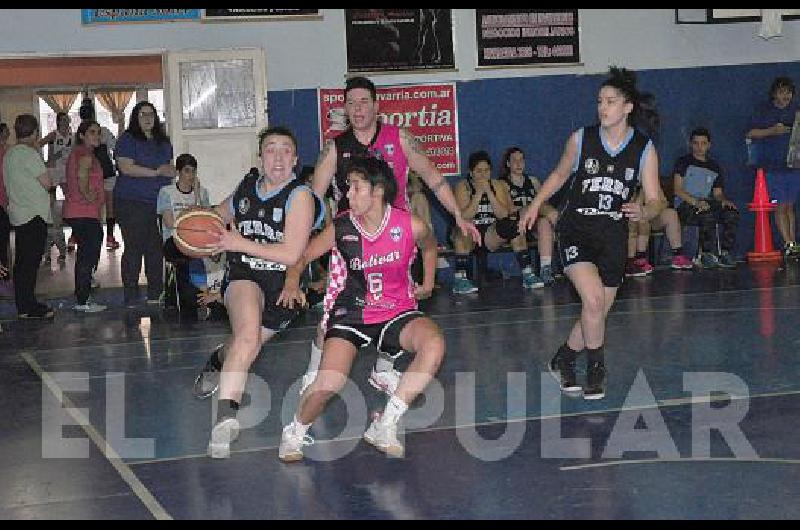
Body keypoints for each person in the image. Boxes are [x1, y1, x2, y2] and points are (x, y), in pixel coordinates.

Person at [292, 76, 479, 398]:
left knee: (398, 306)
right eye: (352, 103)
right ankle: (313, 372)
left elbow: (434, 178)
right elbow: (311, 197)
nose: (358, 108)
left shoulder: (400, 138)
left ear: (377, 106)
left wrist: (457, 214)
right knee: (333, 313)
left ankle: (383, 370)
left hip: (395, 241)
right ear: (346, 109)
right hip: (350, 244)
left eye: (364, 101)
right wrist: (296, 235)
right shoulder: (336, 148)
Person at [277, 157, 442, 462]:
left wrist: (428, 281)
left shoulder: (410, 225)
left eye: (355, 187)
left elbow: (431, 246)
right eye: (347, 187)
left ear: (378, 191)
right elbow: (301, 257)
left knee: (433, 344)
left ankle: (385, 424)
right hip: (353, 312)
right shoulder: (342, 227)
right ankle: (295, 432)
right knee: (330, 382)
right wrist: (291, 281)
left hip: (397, 310)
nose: (348, 194)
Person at [518, 67, 665, 400]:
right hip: (577, 230)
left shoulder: (644, 149)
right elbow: (557, 175)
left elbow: (657, 200)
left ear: (628, 107)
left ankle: (563, 359)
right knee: (594, 300)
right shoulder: (582, 138)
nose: (603, 107)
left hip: (613, 236)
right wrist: (533, 206)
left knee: (595, 311)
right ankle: (596, 368)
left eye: (610, 101)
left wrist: (645, 211)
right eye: (600, 101)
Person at [192, 126, 325, 459]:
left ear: (295, 160)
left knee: (242, 346)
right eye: (270, 149)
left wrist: (237, 241)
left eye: (285, 150)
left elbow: (293, 253)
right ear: (260, 157)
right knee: (248, 337)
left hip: (285, 289)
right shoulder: (245, 188)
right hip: (244, 276)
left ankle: (218, 359)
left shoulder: (301, 196)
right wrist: (195, 229)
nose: (277, 157)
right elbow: (216, 217)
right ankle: (225, 421)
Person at [114, 101, 174, 306]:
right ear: (135, 118)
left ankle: (155, 294)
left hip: (157, 202)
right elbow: (126, 168)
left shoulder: (163, 142)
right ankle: (131, 295)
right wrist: (156, 172)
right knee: (134, 247)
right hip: (131, 201)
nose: (148, 118)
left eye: (151, 114)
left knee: (155, 249)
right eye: (142, 115)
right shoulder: (128, 139)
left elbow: (169, 169)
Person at [451, 150, 529, 292]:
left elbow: (503, 214)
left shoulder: (497, 185)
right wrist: (479, 193)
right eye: (479, 171)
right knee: (464, 230)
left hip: (489, 234)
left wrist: (489, 193)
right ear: (471, 172)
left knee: (514, 227)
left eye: (487, 170)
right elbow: (464, 217)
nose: (483, 175)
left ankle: (528, 274)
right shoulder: (463, 186)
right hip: (469, 233)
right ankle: (460, 280)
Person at [3, 114, 55, 319]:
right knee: (30, 263)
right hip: (34, 215)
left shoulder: (9, 154)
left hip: (18, 213)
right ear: (35, 133)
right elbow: (47, 183)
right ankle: (28, 306)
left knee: (22, 262)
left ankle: (23, 304)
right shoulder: (29, 154)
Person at [747, 76, 799, 257]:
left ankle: (793, 242)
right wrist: (772, 131)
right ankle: (787, 242)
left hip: (793, 166)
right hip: (772, 167)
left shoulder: (796, 112)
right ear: (774, 93)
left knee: (790, 206)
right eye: (781, 91)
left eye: (788, 92)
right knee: (780, 206)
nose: (784, 95)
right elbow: (751, 133)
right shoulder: (764, 112)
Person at [673, 127, 739, 269]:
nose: (699, 147)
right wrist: (696, 202)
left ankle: (725, 252)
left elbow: (717, 194)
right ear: (690, 144)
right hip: (685, 204)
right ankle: (706, 254)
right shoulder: (683, 162)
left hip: (705, 202)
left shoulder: (714, 167)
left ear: (709, 145)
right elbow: (677, 189)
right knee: (706, 214)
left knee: (730, 213)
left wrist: (723, 201)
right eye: (696, 143)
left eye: (703, 143)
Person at [157, 153, 213, 318]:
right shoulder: (166, 192)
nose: (191, 176)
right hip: (174, 240)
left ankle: (207, 298)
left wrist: (196, 196)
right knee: (190, 257)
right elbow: (169, 223)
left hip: (198, 240)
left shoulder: (202, 193)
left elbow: (206, 219)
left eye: (194, 172)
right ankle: (198, 298)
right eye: (187, 171)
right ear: (179, 172)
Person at [63, 120, 107, 312]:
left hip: (83, 212)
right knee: (87, 255)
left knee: (86, 253)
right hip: (83, 212)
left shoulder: (84, 153)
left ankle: (85, 288)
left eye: (98, 132)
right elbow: (82, 173)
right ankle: (83, 300)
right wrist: (87, 194)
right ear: (81, 135)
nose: (96, 135)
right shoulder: (84, 153)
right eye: (91, 132)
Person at [499, 146, 558, 286]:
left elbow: (544, 203)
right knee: (536, 209)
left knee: (544, 222)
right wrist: (530, 209)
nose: (519, 164)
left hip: (533, 224)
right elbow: (507, 210)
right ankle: (561, 222)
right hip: (514, 224)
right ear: (508, 164)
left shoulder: (533, 181)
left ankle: (545, 269)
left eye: (521, 160)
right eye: (515, 160)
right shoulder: (502, 184)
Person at [78, 98, 119, 251]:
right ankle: (108, 237)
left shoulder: (80, 135)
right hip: (103, 174)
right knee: (107, 207)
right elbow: (116, 149)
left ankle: (79, 237)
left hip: (96, 175)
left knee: (91, 205)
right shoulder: (103, 131)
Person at [43, 111, 72, 263]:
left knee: (70, 199)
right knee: (51, 204)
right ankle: (52, 232)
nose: (66, 122)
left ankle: (68, 230)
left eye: (68, 120)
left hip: (66, 172)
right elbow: (38, 144)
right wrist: (49, 159)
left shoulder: (72, 137)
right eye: (64, 120)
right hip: (54, 171)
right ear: (59, 122)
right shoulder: (53, 135)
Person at [0, 123, 12, 298]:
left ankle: (5, 279)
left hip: (3, 202)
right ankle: (4, 281)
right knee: (2, 244)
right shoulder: (4, 153)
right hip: (1, 203)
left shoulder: (6, 151)